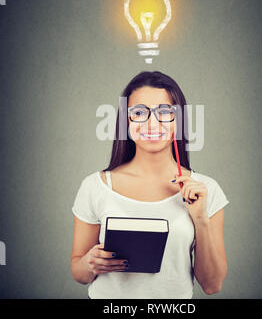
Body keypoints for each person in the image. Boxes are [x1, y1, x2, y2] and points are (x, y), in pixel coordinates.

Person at [70, 71, 230, 299]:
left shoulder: (205, 189)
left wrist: (201, 220)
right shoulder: (95, 186)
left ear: (179, 121)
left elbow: (212, 285)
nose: (152, 123)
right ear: (125, 121)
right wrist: (90, 263)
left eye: (165, 112)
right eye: (138, 112)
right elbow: (78, 272)